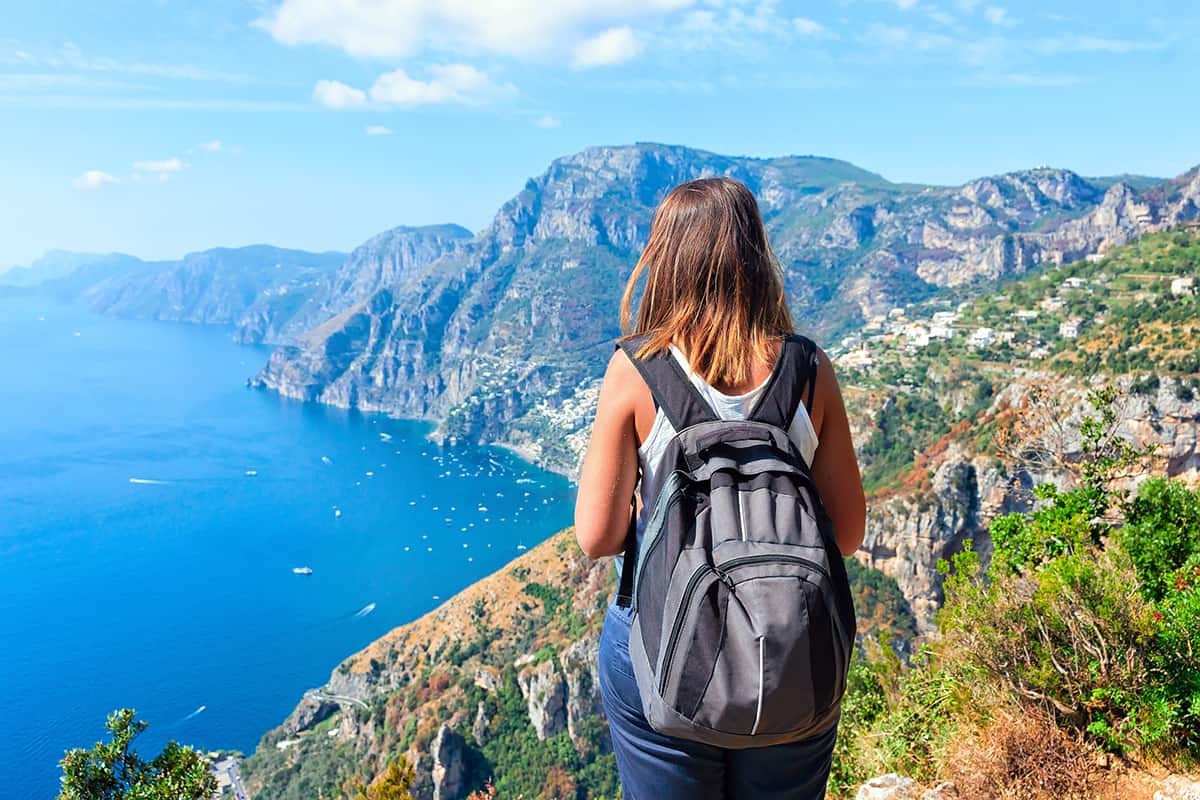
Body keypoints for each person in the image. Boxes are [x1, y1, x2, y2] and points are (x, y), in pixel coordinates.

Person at [574, 177, 867, 799]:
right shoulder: (808, 369)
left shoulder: (637, 369)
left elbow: (597, 538)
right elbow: (846, 534)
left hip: (664, 640)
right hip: (791, 647)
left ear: (665, 261)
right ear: (755, 254)